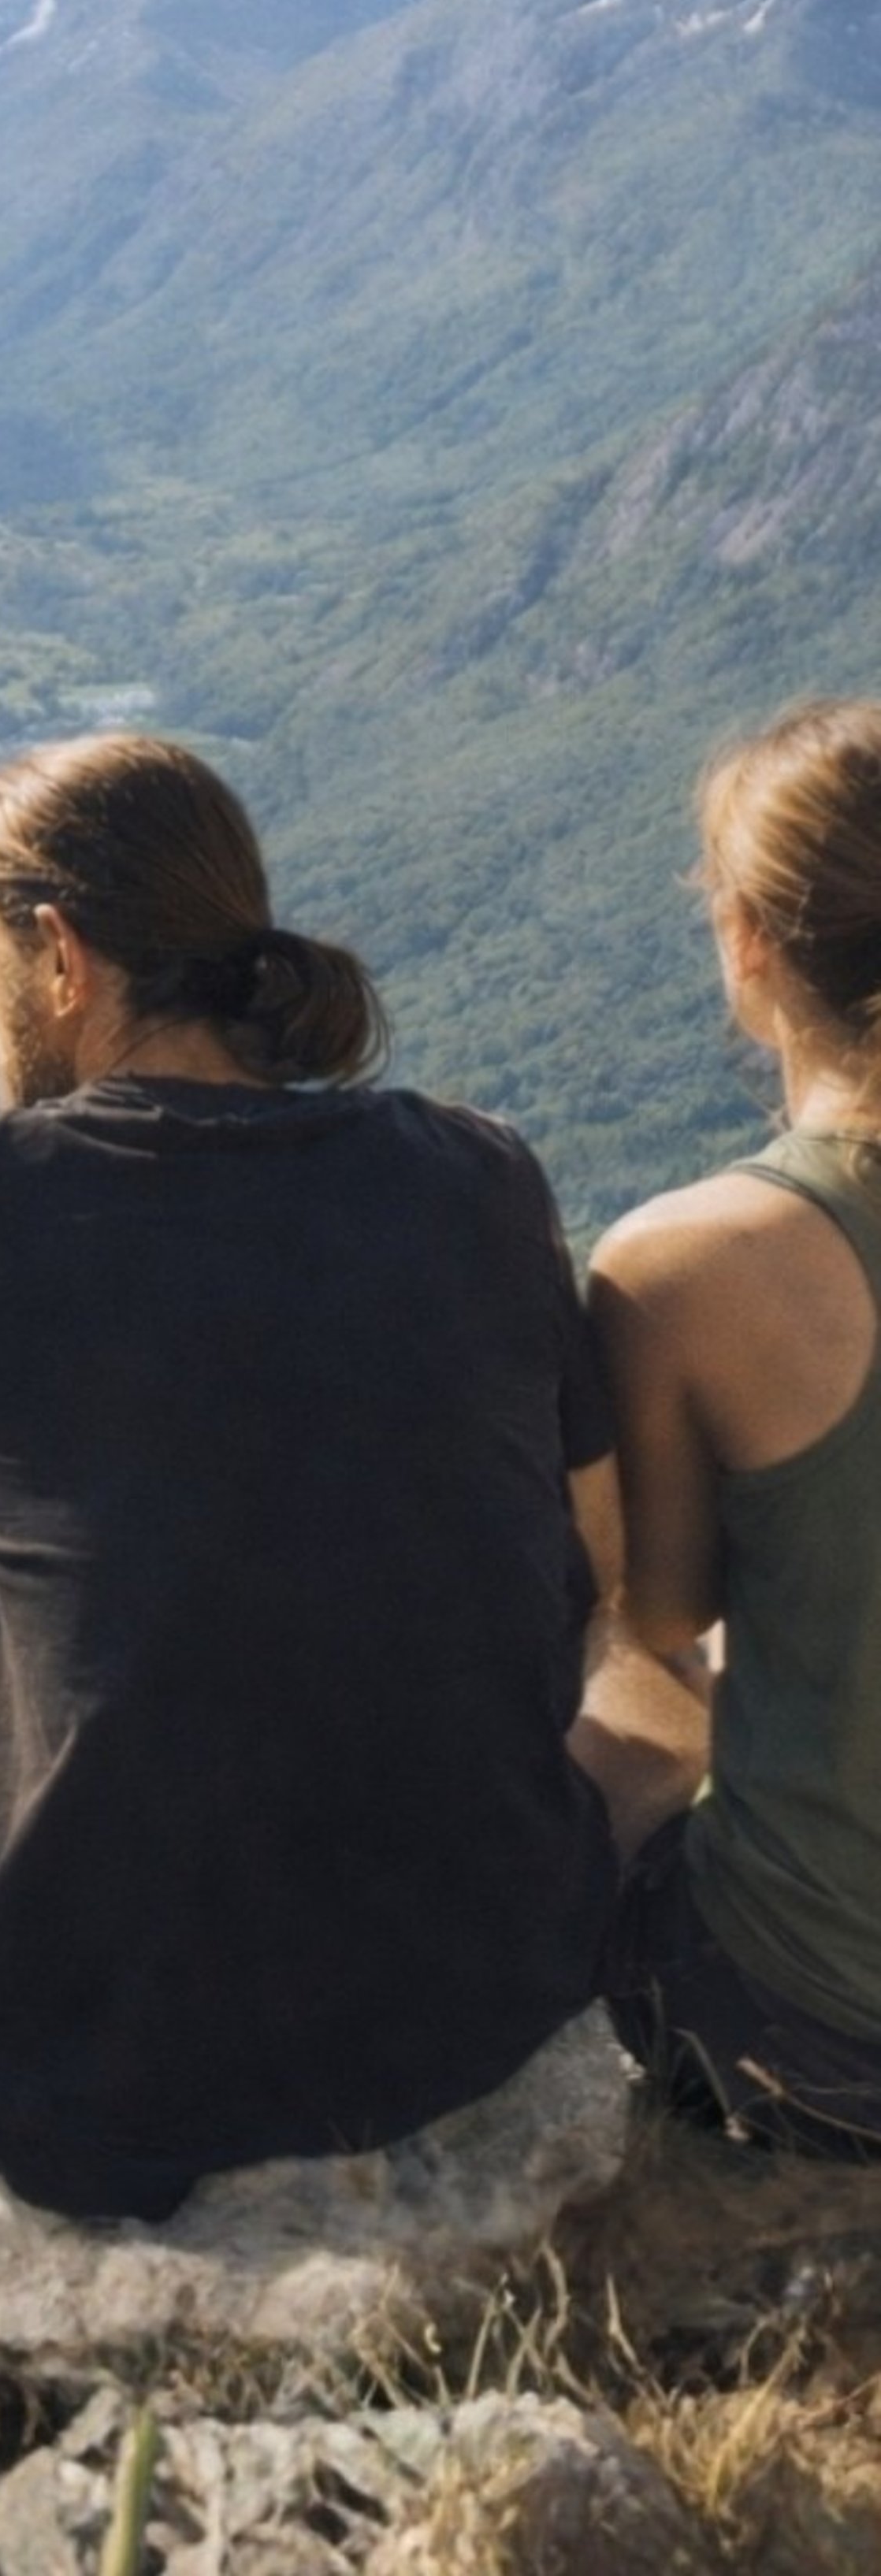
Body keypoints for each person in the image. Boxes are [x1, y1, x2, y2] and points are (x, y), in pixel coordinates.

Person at [0, 729, 618, 2221]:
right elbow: (602, 1561)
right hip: (480, 1991)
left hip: (103, 2069)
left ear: (61, 958)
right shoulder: (482, 1174)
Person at [591, 697, 881, 2155]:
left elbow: (669, 1610)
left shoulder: (688, 1264)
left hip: (815, 2023)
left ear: (752, 940)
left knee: (614, 1717)